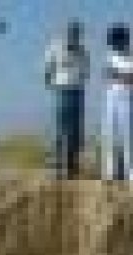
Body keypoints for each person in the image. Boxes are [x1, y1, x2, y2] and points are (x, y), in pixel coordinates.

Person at [43, 20, 90, 180]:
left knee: (76, 131)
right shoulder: (55, 46)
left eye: (77, 33)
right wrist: (52, 84)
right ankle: (56, 167)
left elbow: (86, 71)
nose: (74, 36)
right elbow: (47, 69)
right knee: (61, 130)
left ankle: (72, 167)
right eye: (72, 32)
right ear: (66, 33)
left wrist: (79, 82)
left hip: (77, 91)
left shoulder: (83, 50)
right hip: (62, 90)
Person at [102, 22, 133, 183]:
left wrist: (119, 75)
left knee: (128, 135)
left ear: (124, 39)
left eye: (116, 40)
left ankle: (132, 173)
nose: (114, 44)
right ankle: (111, 172)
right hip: (111, 95)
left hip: (127, 96)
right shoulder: (109, 55)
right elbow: (106, 74)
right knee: (110, 134)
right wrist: (121, 75)